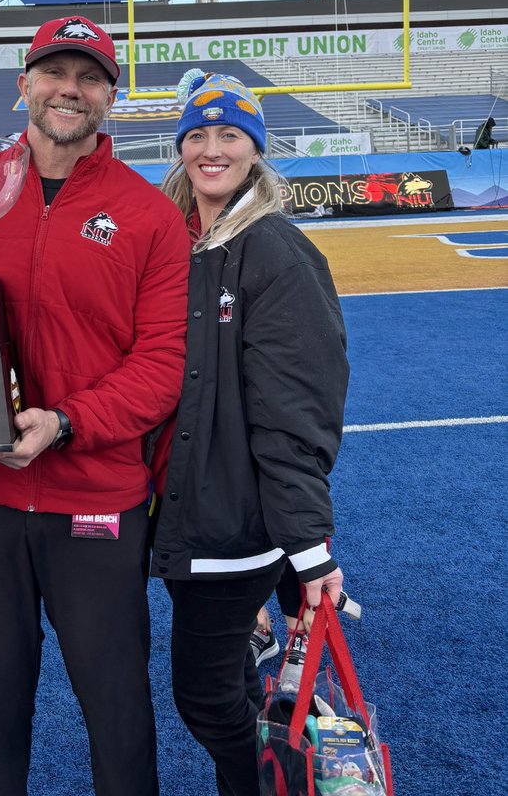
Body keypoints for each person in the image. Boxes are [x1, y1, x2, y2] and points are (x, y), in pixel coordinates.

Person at [0, 15, 190, 796]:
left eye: (90, 77)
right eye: (56, 72)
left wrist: (66, 422)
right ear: (24, 83)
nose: (71, 89)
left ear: (110, 97)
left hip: (94, 493)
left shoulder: (149, 215)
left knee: (117, 702)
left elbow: (163, 364)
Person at [149, 70, 350, 796]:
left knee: (204, 699)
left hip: (231, 522)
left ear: (256, 149)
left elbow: (295, 410)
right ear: (179, 147)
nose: (212, 148)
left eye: (230, 134)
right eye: (198, 134)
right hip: (177, 503)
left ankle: (264, 784)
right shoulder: (172, 238)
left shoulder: (275, 250)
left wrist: (308, 547)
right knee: (228, 674)